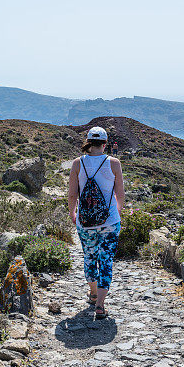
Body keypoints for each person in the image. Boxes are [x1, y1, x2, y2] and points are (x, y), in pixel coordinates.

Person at [67, 126, 125, 319]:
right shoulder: (114, 163)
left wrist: (73, 212)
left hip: (85, 222)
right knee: (106, 260)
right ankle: (100, 305)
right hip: (110, 222)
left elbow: (73, 193)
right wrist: (115, 214)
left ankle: (92, 294)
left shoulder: (78, 163)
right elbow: (120, 195)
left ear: (88, 142)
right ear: (105, 143)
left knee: (90, 257)